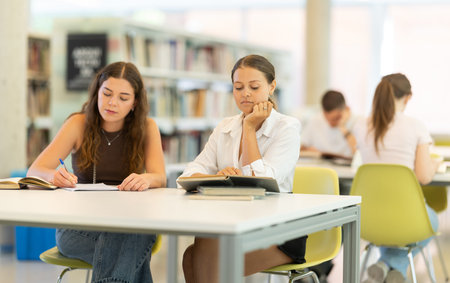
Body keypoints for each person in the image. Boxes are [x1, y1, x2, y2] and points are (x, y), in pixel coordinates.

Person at [27, 61, 166, 283]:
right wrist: (54, 176)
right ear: (96, 93)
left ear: (135, 103)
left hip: (128, 223)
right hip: (78, 228)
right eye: (107, 93)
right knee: (135, 245)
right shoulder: (78, 123)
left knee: (133, 236)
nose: (112, 103)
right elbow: (35, 170)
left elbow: (160, 176)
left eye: (123, 98)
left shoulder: (147, 127)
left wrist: (146, 179)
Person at [178, 54, 306, 283]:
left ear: (271, 86)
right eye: (238, 87)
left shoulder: (287, 127)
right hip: (232, 222)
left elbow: (263, 180)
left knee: (202, 253)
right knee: (192, 255)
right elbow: (189, 173)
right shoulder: (224, 127)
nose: (245, 93)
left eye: (254, 87)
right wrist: (216, 177)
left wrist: (249, 128)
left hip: (278, 232)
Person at [353, 73, 441, 283]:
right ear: (408, 97)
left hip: (368, 218)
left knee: (389, 226)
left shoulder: (360, 125)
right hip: (407, 216)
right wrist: (435, 164)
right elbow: (424, 176)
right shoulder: (415, 126)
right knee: (432, 221)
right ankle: (397, 267)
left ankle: (384, 266)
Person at [301, 90, 357, 159]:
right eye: (327, 118)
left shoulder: (357, 123)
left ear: (346, 109)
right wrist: (309, 151)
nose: (331, 123)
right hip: (321, 166)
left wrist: (343, 127)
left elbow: (358, 154)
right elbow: (301, 148)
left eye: (336, 118)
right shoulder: (315, 121)